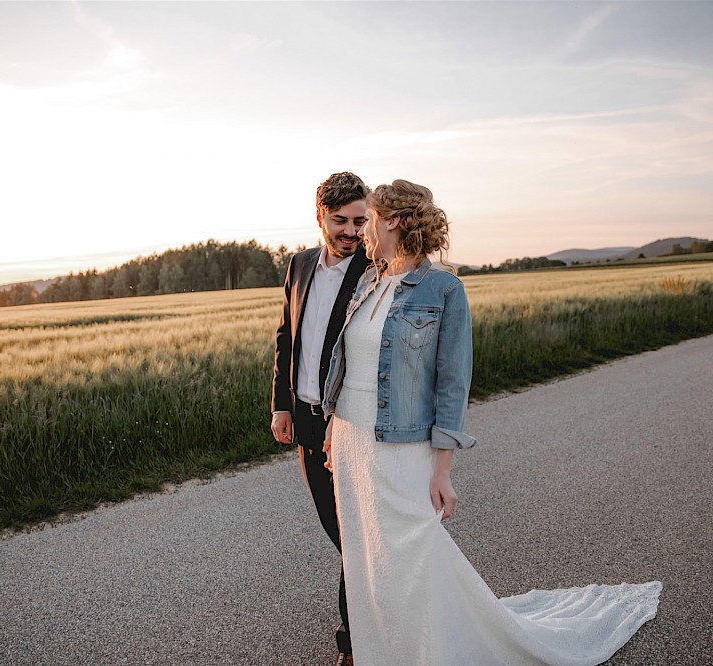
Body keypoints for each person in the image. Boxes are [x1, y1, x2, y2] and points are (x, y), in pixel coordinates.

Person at [322, 179, 662, 665]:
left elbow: (452, 383)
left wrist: (442, 470)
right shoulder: (369, 281)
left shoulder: (443, 289)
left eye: (370, 220)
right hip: (351, 441)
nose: (363, 232)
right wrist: (334, 429)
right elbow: (349, 365)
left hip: (400, 446)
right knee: (366, 557)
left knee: (413, 553)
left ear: (393, 221)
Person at [270, 171, 372, 665]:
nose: (352, 231)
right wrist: (281, 403)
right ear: (320, 217)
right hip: (306, 425)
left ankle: (354, 645)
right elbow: (286, 337)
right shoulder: (300, 264)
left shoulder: (376, 270)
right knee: (342, 534)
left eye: (361, 220)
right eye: (342, 221)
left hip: (350, 425)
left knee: (355, 535)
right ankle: (383, 611)